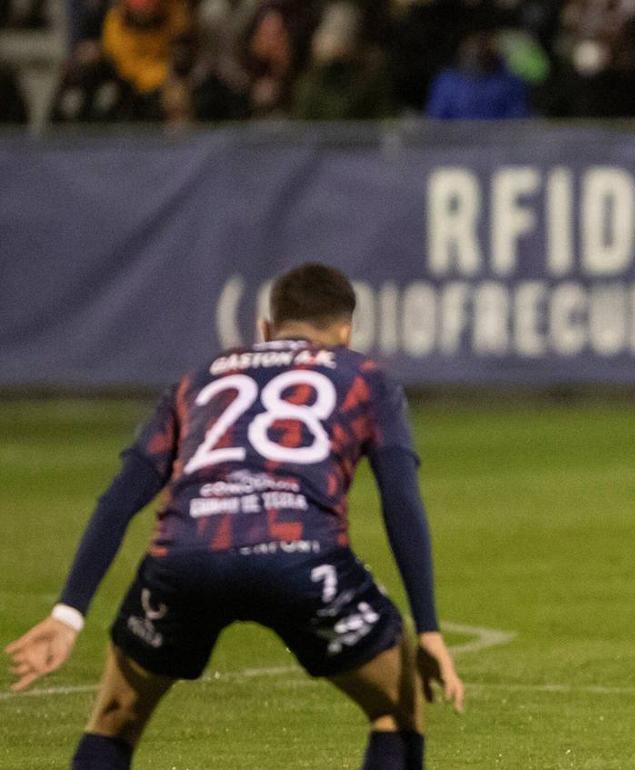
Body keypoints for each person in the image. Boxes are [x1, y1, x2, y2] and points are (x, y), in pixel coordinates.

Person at [5, 263, 464, 770]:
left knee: (115, 719)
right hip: (300, 557)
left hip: (183, 559)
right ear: (345, 333)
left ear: (266, 328)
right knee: (395, 711)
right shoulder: (363, 378)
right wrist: (428, 629)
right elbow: (400, 498)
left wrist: (68, 614)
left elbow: (119, 499)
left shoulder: (198, 380)